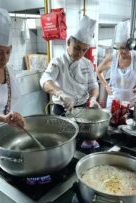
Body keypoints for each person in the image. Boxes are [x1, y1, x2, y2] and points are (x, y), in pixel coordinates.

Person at [40, 15, 100, 148]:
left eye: (84, 50)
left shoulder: (87, 63)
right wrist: (61, 94)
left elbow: (93, 85)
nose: (80, 53)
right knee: (63, 144)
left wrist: (94, 98)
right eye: (77, 48)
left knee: (80, 143)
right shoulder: (58, 62)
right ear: (68, 43)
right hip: (62, 111)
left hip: (83, 111)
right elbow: (45, 80)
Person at [96, 20, 136, 108]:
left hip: (131, 101)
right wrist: (106, 86)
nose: (124, 51)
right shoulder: (111, 58)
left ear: (131, 47)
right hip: (113, 101)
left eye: (127, 48)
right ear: (117, 47)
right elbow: (98, 71)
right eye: (121, 48)